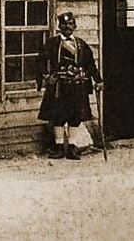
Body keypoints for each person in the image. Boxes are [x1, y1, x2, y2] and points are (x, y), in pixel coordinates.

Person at [36, 11, 103, 160]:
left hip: (77, 86)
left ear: (75, 26)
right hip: (59, 86)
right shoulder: (52, 43)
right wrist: (46, 77)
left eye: (70, 24)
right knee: (58, 116)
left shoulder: (81, 44)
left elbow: (90, 64)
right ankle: (59, 148)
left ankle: (72, 148)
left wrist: (98, 80)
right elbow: (40, 61)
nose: (67, 27)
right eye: (64, 24)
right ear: (59, 26)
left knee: (75, 116)